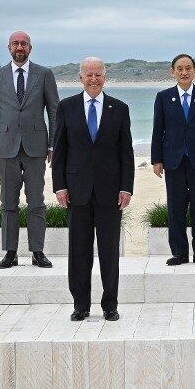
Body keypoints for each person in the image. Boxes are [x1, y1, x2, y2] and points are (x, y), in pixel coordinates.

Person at [52, 58, 134, 322]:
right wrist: (60, 186)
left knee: (109, 251)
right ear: (80, 78)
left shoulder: (119, 108)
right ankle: (80, 305)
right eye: (88, 74)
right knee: (79, 252)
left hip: (110, 191)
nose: (93, 79)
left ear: (105, 77)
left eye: (98, 74)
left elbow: (126, 152)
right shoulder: (66, 107)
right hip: (77, 191)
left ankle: (110, 304)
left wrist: (126, 187)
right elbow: (60, 151)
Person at [0, 31, 60, 269]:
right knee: (8, 202)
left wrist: (53, 145)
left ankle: (38, 251)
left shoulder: (44, 74)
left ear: (30, 48)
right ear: (9, 48)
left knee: (36, 201)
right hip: (5, 148)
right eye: (15, 44)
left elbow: (54, 111)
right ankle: (10, 252)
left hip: (36, 148)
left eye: (23, 44)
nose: (20, 47)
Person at [151, 54, 195, 266]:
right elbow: (158, 130)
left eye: (188, 68)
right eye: (180, 69)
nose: (184, 72)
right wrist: (157, 159)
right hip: (172, 160)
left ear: (194, 70)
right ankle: (179, 253)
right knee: (175, 208)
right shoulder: (163, 97)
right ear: (172, 72)